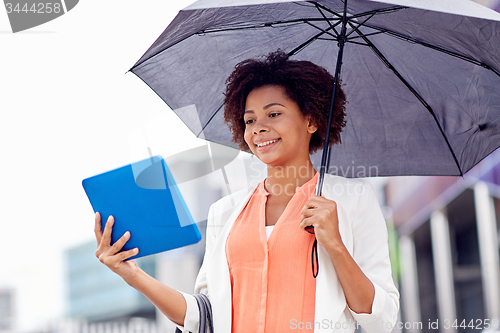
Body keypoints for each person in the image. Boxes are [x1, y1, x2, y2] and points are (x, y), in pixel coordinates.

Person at [94, 50, 399, 333]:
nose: (258, 128)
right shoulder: (225, 212)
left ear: (312, 120)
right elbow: (206, 315)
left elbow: (382, 320)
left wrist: (335, 245)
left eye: (274, 114)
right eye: (249, 120)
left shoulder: (353, 200)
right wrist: (131, 273)